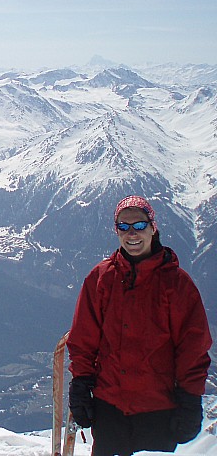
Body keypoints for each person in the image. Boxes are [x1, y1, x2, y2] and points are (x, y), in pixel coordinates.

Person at [66, 195, 212, 455]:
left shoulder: (176, 284)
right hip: (110, 407)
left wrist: (190, 399)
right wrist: (81, 384)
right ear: (116, 231)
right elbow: (83, 339)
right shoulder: (101, 279)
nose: (132, 234)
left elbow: (193, 347)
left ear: (153, 228)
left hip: (157, 410)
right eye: (123, 227)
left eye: (139, 226)